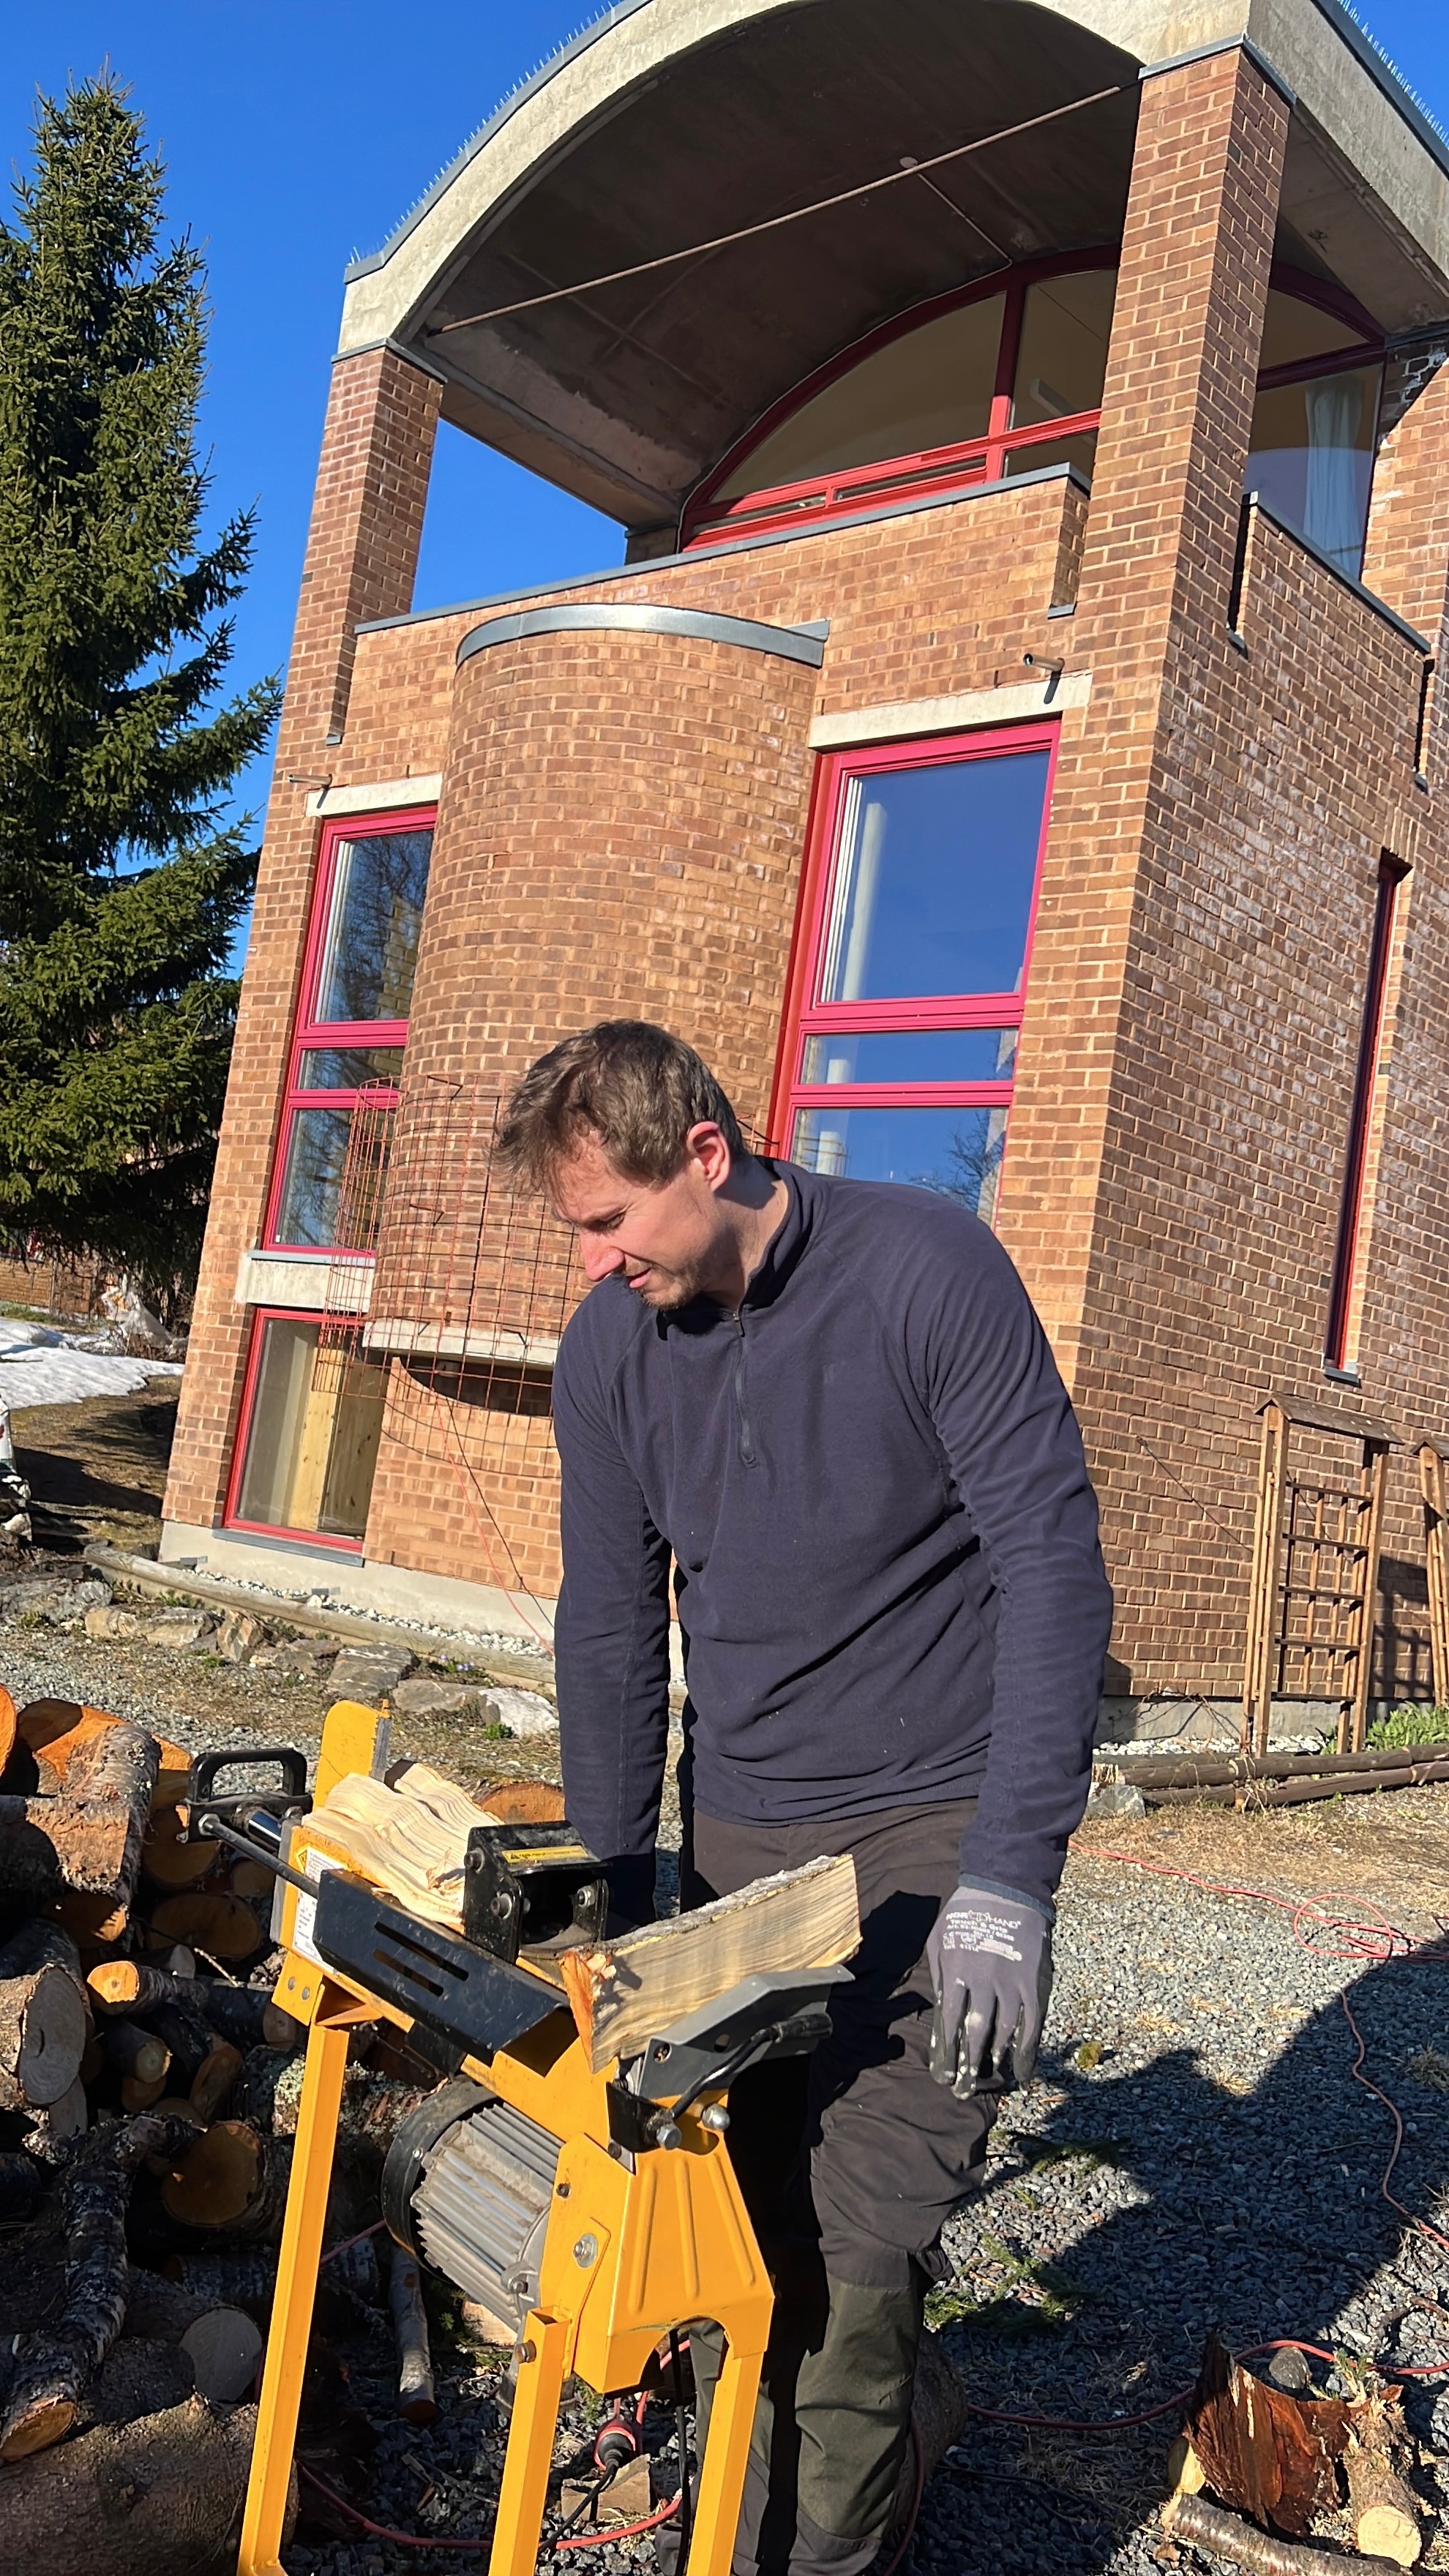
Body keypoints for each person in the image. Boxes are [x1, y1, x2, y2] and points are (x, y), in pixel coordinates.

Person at [496, 1021, 1113, 2576]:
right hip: (746, 1829)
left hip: (931, 1825)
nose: (590, 1260)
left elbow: (1052, 1570)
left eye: (608, 1219)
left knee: (855, 2234)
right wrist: (614, 1883)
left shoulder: (927, 1273)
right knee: (735, 2212)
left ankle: (815, 2540)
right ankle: (848, 2446)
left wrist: (1010, 1879)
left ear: (706, 1155)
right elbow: (610, 1623)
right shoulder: (611, 1352)